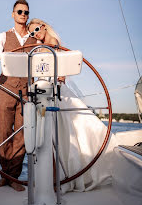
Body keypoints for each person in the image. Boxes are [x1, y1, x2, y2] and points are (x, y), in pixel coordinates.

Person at [28, 18, 117, 193]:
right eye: (32, 32)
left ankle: (64, 178)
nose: (35, 34)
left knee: (62, 134)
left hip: (55, 92)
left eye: (37, 29)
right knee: (62, 135)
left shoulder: (51, 44)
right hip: (48, 92)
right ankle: (63, 177)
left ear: (44, 26)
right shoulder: (41, 45)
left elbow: (59, 72)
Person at [0, 0, 37, 191]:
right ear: (13, 14)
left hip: (27, 92)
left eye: (26, 12)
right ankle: (4, 177)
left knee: (22, 135)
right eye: (20, 11)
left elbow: (44, 60)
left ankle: (13, 177)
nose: (23, 15)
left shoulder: (36, 39)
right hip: (6, 89)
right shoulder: (3, 37)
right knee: (5, 133)